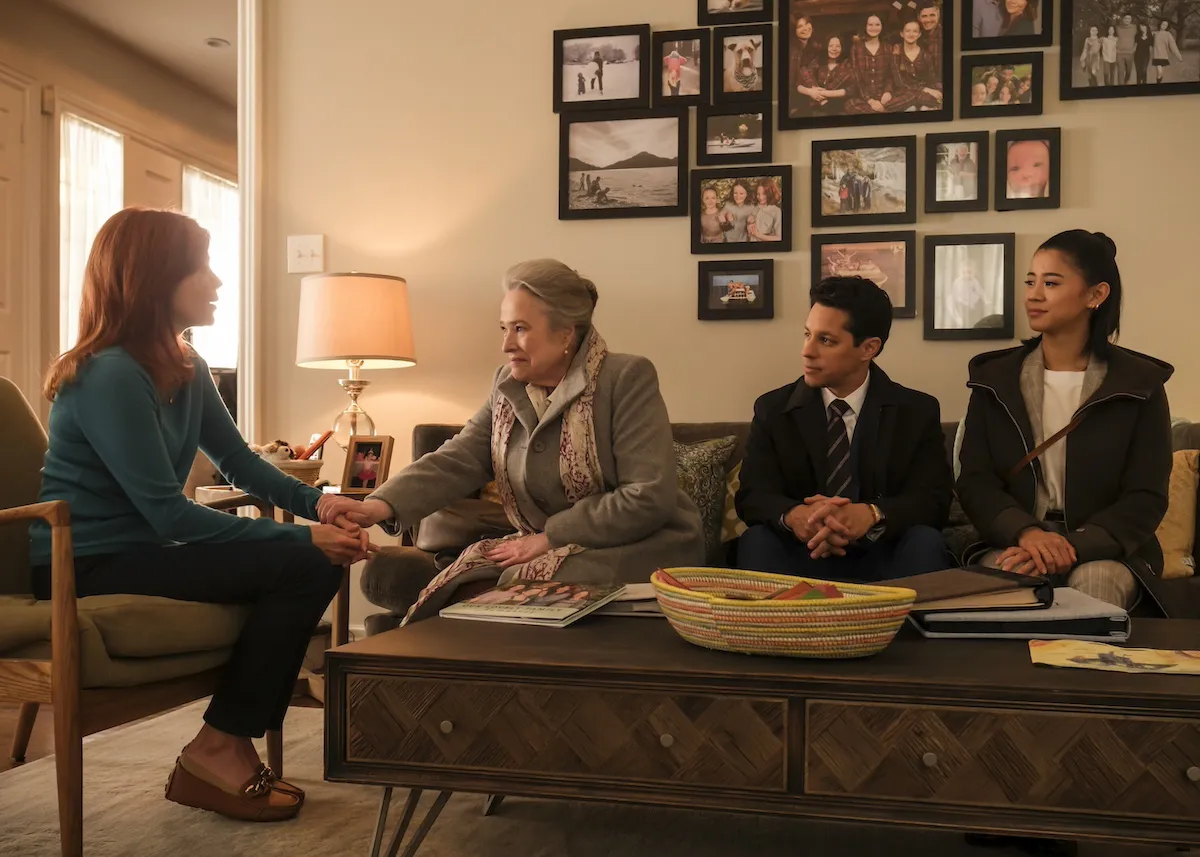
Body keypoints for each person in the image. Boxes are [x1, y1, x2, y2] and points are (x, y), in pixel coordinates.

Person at [30, 208, 371, 822]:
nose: (216, 282)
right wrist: (306, 536)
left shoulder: (185, 363)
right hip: (85, 562)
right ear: (156, 279)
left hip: (148, 553)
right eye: (203, 267)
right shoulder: (108, 374)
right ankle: (219, 749)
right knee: (304, 560)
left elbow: (239, 460)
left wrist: (319, 503)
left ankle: (221, 745)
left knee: (308, 559)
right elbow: (169, 515)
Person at [318, 259, 706, 622]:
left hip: (636, 545)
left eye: (520, 329)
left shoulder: (625, 378)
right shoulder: (505, 385)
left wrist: (548, 538)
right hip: (548, 547)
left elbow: (647, 496)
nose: (506, 344)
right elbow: (462, 456)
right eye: (504, 328)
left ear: (566, 332)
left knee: (502, 591)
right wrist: (379, 505)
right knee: (470, 587)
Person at [956, 230, 1172, 611]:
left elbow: (1146, 496)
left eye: (1051, 283)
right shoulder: (994, 378)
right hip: (1013, 540)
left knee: (1095, 585)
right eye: (1030, 281)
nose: (1033, 295)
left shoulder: (1139, 384)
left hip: (1107, 549)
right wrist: (1026, 533)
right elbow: (975, 481)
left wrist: (1074, 545)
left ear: (1095, 295)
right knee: (1011, 586)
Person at [735, 276, 952, 581]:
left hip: (881, 554)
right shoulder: (773, 409)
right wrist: (797, 516)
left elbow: (933, 500)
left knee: (925, 542)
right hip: (803, 552)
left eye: (826, 340)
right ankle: (777, 627)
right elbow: (753, 495)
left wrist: (870, 514)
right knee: (756, 541)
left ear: (868, 348)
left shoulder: (915, 411)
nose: (807, 351)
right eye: (807, 335)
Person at [889, 19, 943, 112]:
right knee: (902, 103)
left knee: (935, 100)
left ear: (919, 34)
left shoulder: (926, 55)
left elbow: (932, 78)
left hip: (924, 94)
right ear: (902, 34)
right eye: (908, 31)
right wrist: (924, 89)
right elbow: (899, 82)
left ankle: (920, 104)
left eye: (915, 31)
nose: (911, 34)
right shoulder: (896, 53)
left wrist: (938, 91)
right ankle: (918, 103)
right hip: (903, 93)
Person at [846, 15, 895, 114]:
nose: (874, 28)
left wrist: (887, 92)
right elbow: (857, 76)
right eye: (870, 25)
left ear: (882, 26)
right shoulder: (856, 48)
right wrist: (870, 100)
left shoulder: (888, 48)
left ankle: (879, 112)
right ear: (865, 26)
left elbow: (890, 74)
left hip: (884, 98)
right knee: (849, 105)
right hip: (864, 99)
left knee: (909, 97)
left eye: (877, 24)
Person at [796, 36, 852, 116]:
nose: (834, 49)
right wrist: (811, 92)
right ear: (826, 47)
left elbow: (850, 90)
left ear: (842, 48)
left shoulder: (847, 64)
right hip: (813, 104)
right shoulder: (818, 62)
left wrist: (824, 94)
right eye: (830, 46)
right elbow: (799, 85)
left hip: (835, 106)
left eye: (838, 46)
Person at [789, 14, 826, 116]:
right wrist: (809, 91)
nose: (805, 28)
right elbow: (790, 82)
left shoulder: (814, 45)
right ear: (794, 31)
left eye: (806, 23)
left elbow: (815, 70)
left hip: (810, 89)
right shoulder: (792, 50)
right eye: (800, 26)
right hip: (794, 94)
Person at [1115, 13, 1138, 84]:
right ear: (1123, 19)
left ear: (1131, 20)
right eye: (1126, 18)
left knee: (1128, 71)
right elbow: (1111, 35)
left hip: (1130, 53)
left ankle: (1125, 81)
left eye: (1129, 18)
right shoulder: (1118, 28)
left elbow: (1138, 38)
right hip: (1119, 53)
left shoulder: (1135, 28)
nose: (1127, 20)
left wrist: (1134, 48)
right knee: (1120, 71)